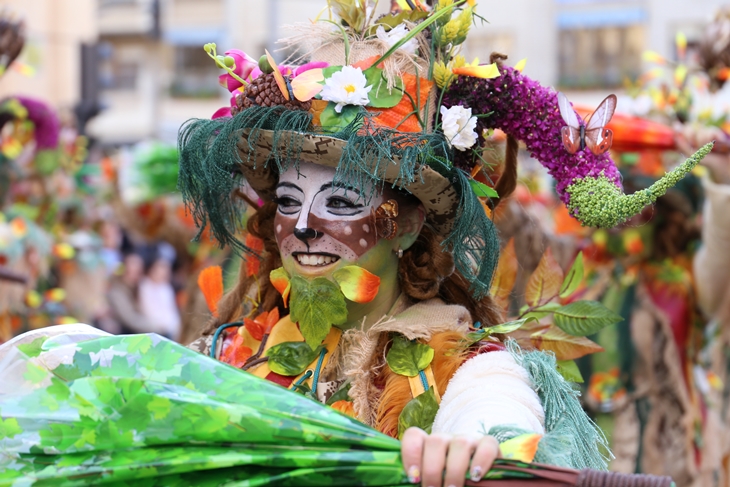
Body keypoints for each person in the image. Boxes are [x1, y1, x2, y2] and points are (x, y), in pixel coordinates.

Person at [177, 3, 709, 485]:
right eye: (289, 201)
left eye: (340, 203)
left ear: (407, 225)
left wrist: (475, 447)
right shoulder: (233, 352)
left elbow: (495, 411)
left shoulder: (468, 366)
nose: (305, 225)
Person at [138, 256, 181, 341]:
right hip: (154, 330)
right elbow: (148, 311)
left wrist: (176, 328)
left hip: (170, 330)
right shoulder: (145, 286)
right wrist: (164, 326)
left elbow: (172, 311)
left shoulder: (166, 288)